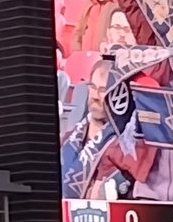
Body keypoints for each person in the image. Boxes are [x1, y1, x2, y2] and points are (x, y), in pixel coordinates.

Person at [59, 60, 156, 200]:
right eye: (93, 87)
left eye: (103, 90)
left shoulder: (123, 147)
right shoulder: (68, 138)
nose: (95, 96)